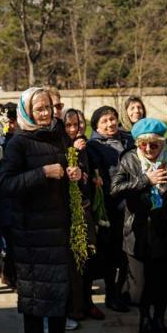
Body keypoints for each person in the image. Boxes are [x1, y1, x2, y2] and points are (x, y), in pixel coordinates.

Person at [0, 87, 84, 333]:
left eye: (48, 107)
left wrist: (75, 173)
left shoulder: (59, 135)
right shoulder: (18, 142)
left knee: (59, 287)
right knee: (34, 292)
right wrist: (42, 173)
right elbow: (6, 184)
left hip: (58, 226)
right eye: (39, 109)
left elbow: (70, 165)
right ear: (27, 112)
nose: (46, 113)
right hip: (30, 231)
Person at [111, 117, 167, 333]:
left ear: (162, 142)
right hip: (138, 230)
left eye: (154, 145)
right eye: (143, 145)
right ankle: (144, 320)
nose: (148, 149)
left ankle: (159, 319)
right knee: (141, 285)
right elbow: (115, 189)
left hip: (164, 229)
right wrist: (145, 180)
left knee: (162, 280)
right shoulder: (130, 158)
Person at [86, 106, 134, 312]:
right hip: (111, 206)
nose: (110, 124)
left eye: (112, 119)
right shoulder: (94, 146)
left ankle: (124, 291)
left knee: (128, 251)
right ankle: (112, 294)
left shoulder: (128, 139)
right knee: (112, 253)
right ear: (96, 126)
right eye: (104, 121)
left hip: (132, 202)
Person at [62, 108, 103, 322]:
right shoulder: (61, 146)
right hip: (69, 212)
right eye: (68, 125)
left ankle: (88, 302)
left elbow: (90, 169)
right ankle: (74, 306)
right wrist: (73, 152)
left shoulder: (85, 145)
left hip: (86, 209)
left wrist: (95, 177)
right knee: (74, 262)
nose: (74, 129)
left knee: (89, 257)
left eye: (77, 124)